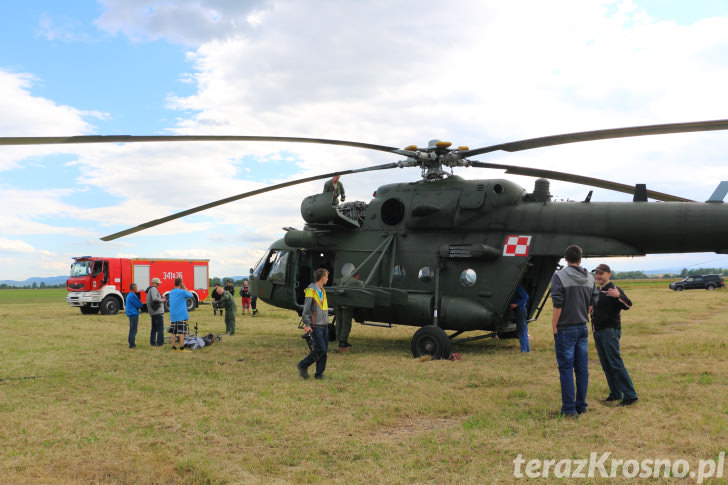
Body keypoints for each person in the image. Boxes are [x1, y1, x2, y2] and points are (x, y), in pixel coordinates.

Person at [551, 245, 597, 418]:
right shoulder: (590, 278)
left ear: (565, 258)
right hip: (582, 327)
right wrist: (583, 313)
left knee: (566, 369)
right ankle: (581, 406)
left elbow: (558, 303)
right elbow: (593, 301)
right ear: (580, 259)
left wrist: (554, 324)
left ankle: (569, 409)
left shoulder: (559, 276)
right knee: (582, 369)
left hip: (565, 328)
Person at [591, 263, 638, 407]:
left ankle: (630, 396)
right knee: (606, 364)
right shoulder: (597, 291)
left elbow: (628, 305)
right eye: (597, 273)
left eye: (601, 273)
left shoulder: (614, 289)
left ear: (608, 274)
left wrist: (619, 296)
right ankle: (615, 393)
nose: (598, 276)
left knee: (615, 363)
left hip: (610, 331)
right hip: (598, 331)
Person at [296, 268, 330, 380]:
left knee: (324, 351)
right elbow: (306, 309)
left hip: (324, 325)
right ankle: (303, 365)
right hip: (315, 325)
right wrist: (307, 324)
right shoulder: (311, 290)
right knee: (321, 349)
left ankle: (319, 374)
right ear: (322, 278)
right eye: (326, 276)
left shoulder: (323, 291)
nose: (327, 279)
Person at [335, 272, 362, 352]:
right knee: (346, 323)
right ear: (357, 275)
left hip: (338, 303)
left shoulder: (342, 279)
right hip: (347, 304)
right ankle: (343, 342)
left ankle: (339, 340)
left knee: (339, 322)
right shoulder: (355, 281)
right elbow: (362, 290)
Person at [168, 277, 193, 351]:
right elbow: (191, 295)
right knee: (182, 332)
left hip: (173, 315)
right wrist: (185, 287)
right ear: (180, 283)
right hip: (181, 315)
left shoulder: (171, 292)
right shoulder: (182, 292)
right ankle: (182, 348)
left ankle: (173, 347)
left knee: (173, 332)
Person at [146, 277, 166, 347]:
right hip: (157, 312)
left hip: (153, 312)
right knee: (160, 328)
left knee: (154, 329)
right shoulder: (153, 289)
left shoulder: (150, 290)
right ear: (154, 283)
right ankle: (160, 343)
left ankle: (153, 343)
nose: (158, 285)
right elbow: (154, 298)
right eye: (157, 284)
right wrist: (162, 300)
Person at [510, 283, 530, 353]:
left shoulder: (517, 285)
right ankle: (527, 349)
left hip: (520, 309)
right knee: (523, 329)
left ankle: (524, 350)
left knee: (521, 329)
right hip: (520, 309)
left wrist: (516, 304)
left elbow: (526, 297)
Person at [125, 283, 143, 349]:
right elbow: (139, 304)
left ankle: (131, 343)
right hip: (133, 314)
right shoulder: (133, 296)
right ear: (133, 288)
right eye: (136, 287)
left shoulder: (129, 295)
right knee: (133, 330)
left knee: (132, 329)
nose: (137, 288)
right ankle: (132, 344)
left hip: (131, 314)